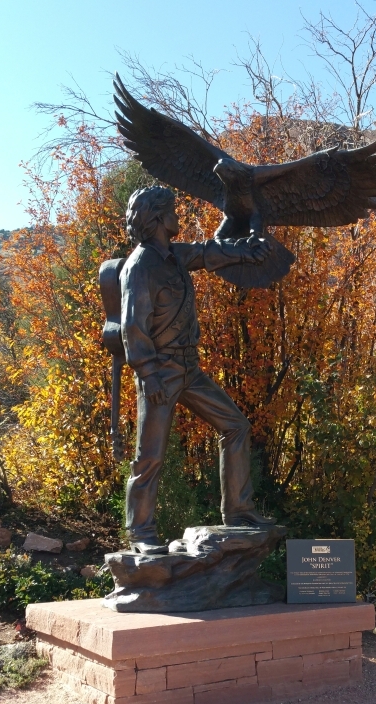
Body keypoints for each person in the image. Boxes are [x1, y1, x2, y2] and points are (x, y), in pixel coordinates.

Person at [121, 186, 275, 554]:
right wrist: (149, 374)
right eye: (173, 211)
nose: (178, 216)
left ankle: (238, 511)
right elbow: (132, 327)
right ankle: (140, 534)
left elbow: (207, 252)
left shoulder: (174, 255)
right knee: (150, 456)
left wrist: (247, 251)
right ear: (158, 218)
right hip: (160, 372)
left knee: (236, 426)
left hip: (189, 368)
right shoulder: (139, 266)